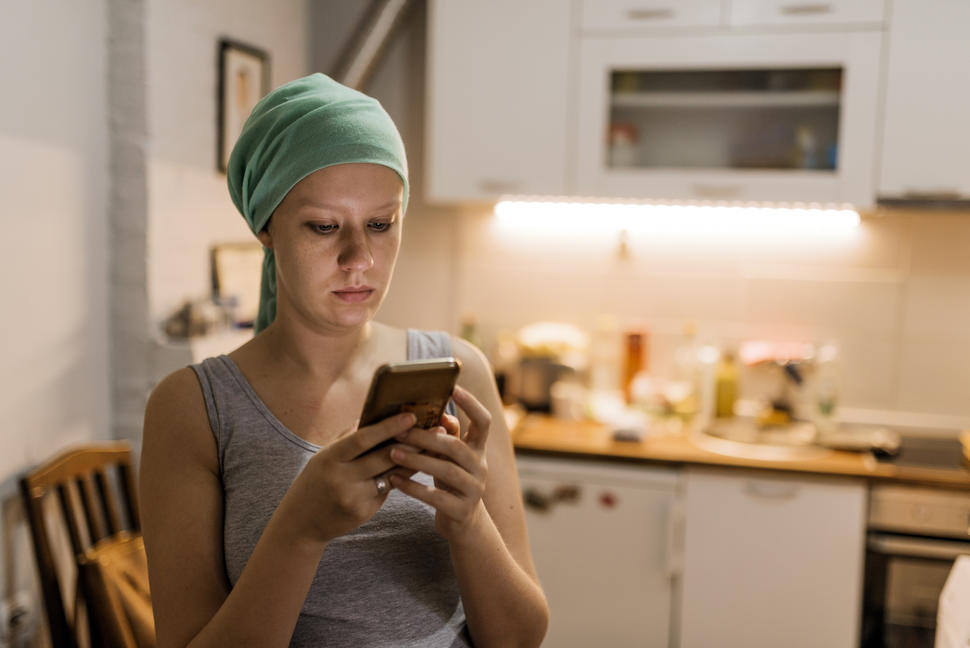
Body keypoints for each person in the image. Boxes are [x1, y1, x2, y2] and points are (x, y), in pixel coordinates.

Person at [140, 73, 549, 648]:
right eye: (325, 226)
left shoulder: (461, 374)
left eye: (381, 224)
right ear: (266, 228)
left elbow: (521, 638)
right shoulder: (193, 410)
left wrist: (469, 522)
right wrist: (300, 532)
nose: (359, 258)